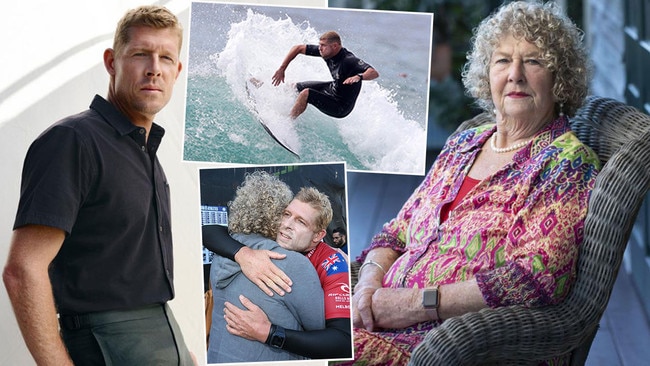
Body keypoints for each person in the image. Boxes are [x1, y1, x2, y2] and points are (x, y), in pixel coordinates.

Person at [342, 1, 602, 365]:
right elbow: (395, 233)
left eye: (534, 61)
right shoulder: (463, 144)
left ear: (560, 79)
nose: (515, 74)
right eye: (502, 60)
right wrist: (368, 285)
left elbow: (535, 277)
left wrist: (416, 305)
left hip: (452, 345)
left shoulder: (565, 164)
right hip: (376, 319)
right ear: (487, 74)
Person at [2, 6, 194, 365]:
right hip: (107, 345)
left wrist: (185, 355)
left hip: (166, 336)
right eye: (141, 54)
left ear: (177, 70)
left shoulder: (144, 151)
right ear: (111, 62)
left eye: (166, 57)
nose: (155, 67)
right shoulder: (73, 141)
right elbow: (22, 270)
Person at [202, 186, 352, 359]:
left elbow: (342, 342)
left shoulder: (332, 264)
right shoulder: (278, 239)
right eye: (287, 214)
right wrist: (243, 254)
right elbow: (209, 231)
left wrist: (270, 333)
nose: (287, 225)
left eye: (301, 222)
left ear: (318, 236)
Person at [271, 30, 379, 119]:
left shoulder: (348, 60)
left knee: (306, 93)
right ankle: (269, 93)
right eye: (319, 45)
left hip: (341, 106)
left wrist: (359, 77)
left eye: (323, 45)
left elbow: (374, 73)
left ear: (335, 46)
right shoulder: (326, 52)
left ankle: (287, 122)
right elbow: (297, 48)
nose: (319, 48)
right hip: (333, 88)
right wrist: (282, 68)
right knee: (294, 87)